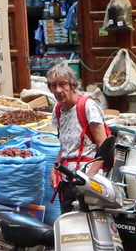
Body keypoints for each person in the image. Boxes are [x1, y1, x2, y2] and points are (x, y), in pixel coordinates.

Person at [47, 61, 110, 213]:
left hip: (88, 179)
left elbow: (104, 146)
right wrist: (55, 169)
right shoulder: (58, 110)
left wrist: (90, 177)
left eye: (63, 84)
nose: (58, 90)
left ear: (73, 85)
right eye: (53, 86)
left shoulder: (87, 107)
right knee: (70, 224)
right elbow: (66, 145)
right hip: (68, 178)